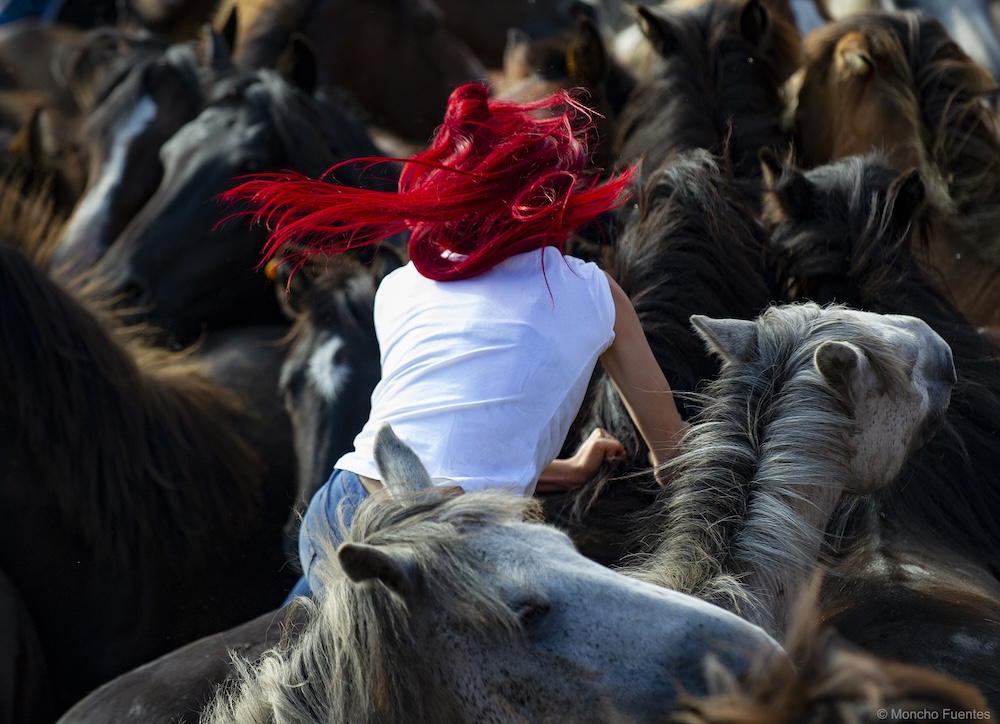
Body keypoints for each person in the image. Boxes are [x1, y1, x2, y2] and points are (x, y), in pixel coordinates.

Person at [226, 82, 687, 600]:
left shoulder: (399, 285)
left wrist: (569, 470)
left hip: (339, 509)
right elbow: (672, 456)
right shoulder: (596, 295)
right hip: (439, 541)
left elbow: (442, 435)